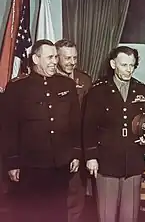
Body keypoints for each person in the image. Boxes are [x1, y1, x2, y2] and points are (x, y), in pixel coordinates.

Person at [2, 39, 82, 222]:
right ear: (36, 59)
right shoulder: (17, 88)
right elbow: (8, 129)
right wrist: (12, 163)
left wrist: (76, 153)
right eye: (50, 57)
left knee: (58, 212)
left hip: (60, 163)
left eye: (56, 57)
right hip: (31, 165)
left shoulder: (67, 85)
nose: (55, 61)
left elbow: (74, 123)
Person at [83, 46, 145, 222]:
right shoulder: (97, 91)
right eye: (124, 65)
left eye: (132, 65)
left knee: (130, 216)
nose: (128, 69)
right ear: (113, 64)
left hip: (133, 161)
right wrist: (91, 157)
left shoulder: (143, 91)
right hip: (106, 161)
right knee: (106, 215)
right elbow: (88, 126)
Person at [55, 39, 92, 222]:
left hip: (79, 145)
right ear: (56, 58)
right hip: (56, 147)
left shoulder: (84, 80)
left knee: (77, 193)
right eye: (67, 58)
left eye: (74, 58)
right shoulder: (50, 79)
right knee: (55, 195)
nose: (72, 62)